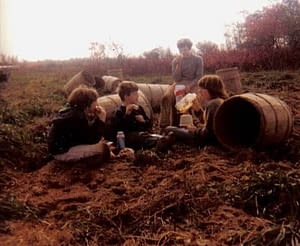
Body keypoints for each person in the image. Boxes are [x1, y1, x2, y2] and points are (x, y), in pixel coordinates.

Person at [48, 86, 111, 162]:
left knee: (103, 143)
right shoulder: (77, 117)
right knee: (102, 148)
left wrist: (94, 119)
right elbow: (93, 140)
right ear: (87, 104)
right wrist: (102, 119)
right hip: (62, 152)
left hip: (63, 147)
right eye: (95, 101)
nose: (97, 104)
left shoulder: (73, 112)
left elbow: (87, 134)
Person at [164, 75, 229, 147]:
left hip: (208, 142)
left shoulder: (212, 104)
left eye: (202, 88)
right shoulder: (220, 101)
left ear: (210, 89)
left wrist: (194, 130)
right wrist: (197, 111)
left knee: (168, 129)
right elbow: (208, 125)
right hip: (216, 140)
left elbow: (208, 134)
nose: (199, 91)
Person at [114, 81, 175, 153]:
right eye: (135, 94)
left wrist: (143, 121)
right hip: (130, 139)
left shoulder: (138, 108)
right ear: (126, 96)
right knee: (139, 136)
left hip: (144, 136)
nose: (138, 96)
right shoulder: (119, 111)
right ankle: (161, 143)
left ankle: (161, 142)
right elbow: (120, 130)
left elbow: (148, 124)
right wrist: (127, 114)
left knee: (146, 136)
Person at [159, 38, 204, 128]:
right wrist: (178, 65)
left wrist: (190, 86)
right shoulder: (176, 61)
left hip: (193, 83)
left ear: (189, 48)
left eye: (185, 49)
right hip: (179, 83)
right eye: (181, 49)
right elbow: (176, 78)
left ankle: (188, 123)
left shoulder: (198, 59)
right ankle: (168, 124)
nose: (183, 51)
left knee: (185, 98)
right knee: (167, 97)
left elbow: (199, 76)